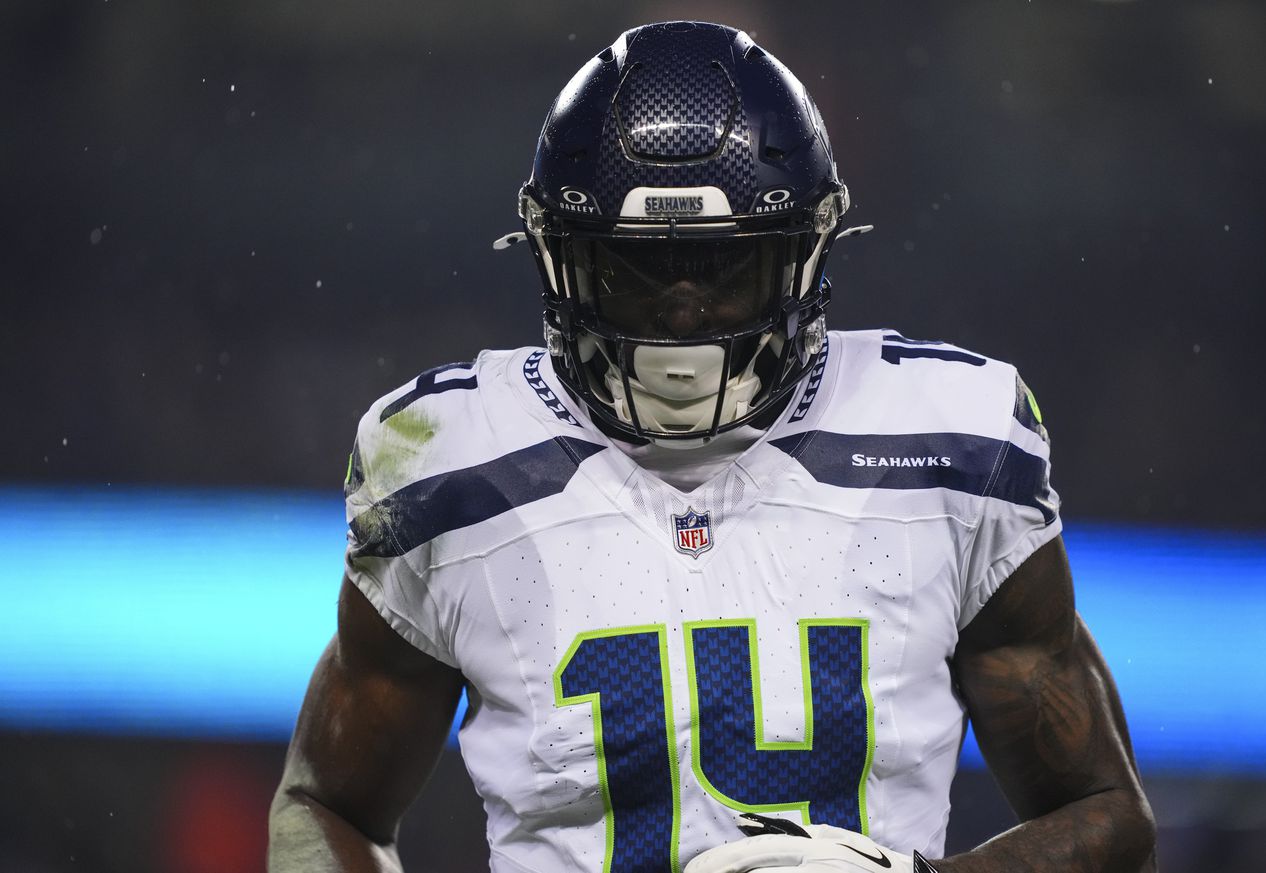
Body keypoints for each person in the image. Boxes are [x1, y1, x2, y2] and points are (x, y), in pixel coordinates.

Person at [268, 20, 1156, 873]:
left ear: (807, 251)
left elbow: (1110, 819)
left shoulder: (948, 445)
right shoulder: (446, 463)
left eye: (725, 267)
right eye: (636, 268)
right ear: (558, 254)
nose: (683, 314)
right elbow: (328, 805)